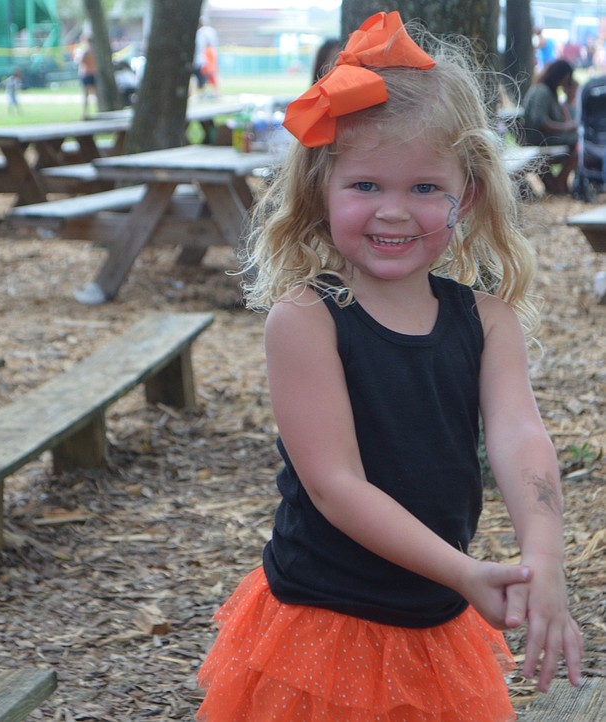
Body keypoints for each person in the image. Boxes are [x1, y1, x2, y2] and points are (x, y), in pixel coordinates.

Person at [197, 11, 584, 722]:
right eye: (366, 186)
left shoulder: (486, 320)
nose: (395, 213)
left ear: (465, 195)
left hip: (437, 621)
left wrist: (545, 554)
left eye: (425, 189)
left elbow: (520, 437)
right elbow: (336, 486)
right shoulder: (306, 321)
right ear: (320, 189)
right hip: (324, 625)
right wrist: (465, 572)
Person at [520, 59, 579, 195]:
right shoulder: (543, 92)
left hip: (542, 138)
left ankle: (557, 184)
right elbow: (541, 123)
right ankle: (559, 182)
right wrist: (566, 128)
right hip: (539, 139)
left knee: (576, 143)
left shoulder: (547, 91)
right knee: (578, 142)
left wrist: (569, 99)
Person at [193, 16, 219, 98]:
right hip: (201, 59)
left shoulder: (204, 32)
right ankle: (202, 93)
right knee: (202, 78)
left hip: (203, 59)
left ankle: (207, 93)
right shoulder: (202, 32)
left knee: (206, 77)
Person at [75, 33, 97, 119]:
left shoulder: (86, 51)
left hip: (88, 74)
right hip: (90, 73)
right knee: (91, 94)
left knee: (87, 95)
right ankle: (88, 112)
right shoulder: (92, 51)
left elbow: (80, 61)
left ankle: (86, 112)